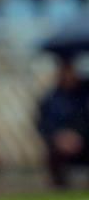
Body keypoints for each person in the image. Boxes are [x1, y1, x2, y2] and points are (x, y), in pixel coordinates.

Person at [37, 59, 89, 188]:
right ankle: (60, 187)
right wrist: (58, 137)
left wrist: (79, 136)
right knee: (54, 155)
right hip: (61, 144)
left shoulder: (84, 96)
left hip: (84, 141)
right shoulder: (51, 98)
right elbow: (43, 123)